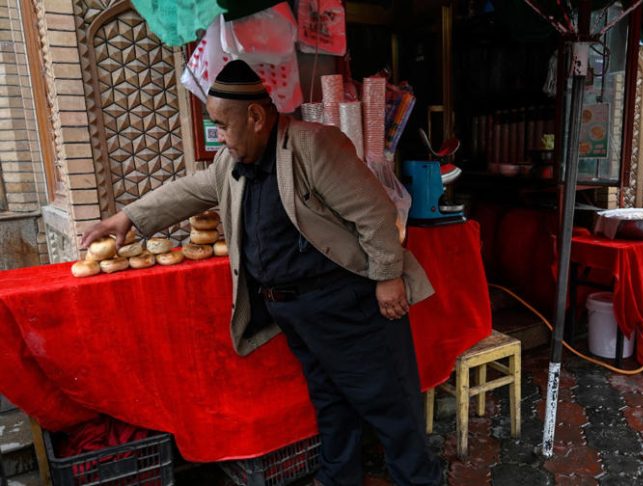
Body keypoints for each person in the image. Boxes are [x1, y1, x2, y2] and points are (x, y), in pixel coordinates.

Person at [81, 60, 441, 486]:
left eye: (223, 125)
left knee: (389, 404)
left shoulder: (313, 146)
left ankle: (419, 481)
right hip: (296, 312)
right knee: (330, 401)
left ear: (255, 117)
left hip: (347, 303)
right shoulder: (231, 163)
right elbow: (188, 191)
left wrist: (387, 276)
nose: (219, 136)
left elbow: (374, 211)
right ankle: (338, 478)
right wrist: (126, 218)